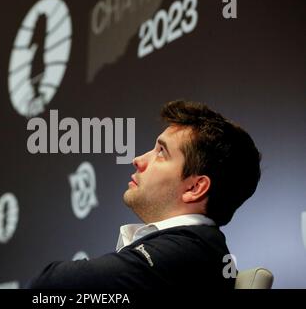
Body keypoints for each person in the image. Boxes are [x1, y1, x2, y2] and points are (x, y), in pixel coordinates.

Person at [27, 100, 261, 289]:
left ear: (194, 188)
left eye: (161, 152)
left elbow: (50, 285)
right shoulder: (193, 249)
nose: (138, 160)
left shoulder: (189, 254)